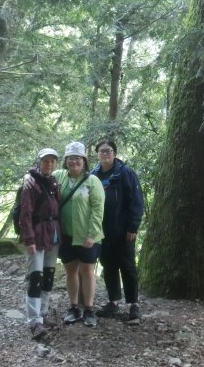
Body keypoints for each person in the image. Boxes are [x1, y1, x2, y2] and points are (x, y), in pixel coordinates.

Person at [53, 141, 105, 328]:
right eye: (70, 158)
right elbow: (41, 176)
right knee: (71, 271)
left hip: (88, 235)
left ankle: (89, 309)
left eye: (77, 158)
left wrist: (91, 234)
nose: (74, 161)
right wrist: (28, 177)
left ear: (84, 161)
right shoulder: (59, 176)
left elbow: (98, 210)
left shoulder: (93, 181)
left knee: (87, 271)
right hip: (66, 235)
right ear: (65, 160)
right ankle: (74, 307)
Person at [92, 139, 144, 324]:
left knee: (128, 267)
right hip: (102, 231)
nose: (105, 154)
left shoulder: (125, 173)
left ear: (114, 153)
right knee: (109, 266)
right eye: (102, 151)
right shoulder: (93, 175)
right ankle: (113, 301)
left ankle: (134, 306)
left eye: (109, 151)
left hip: (123, 231)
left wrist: (133, 227)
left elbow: (136, 201)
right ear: (97, 154)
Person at [20, 147, 61, 341]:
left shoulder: (53, 181)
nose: (50, 164)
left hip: (52, 235)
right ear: (39, 162)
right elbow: (25, 214)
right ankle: (34, 321)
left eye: (53, 161)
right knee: (36, 277)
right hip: (37, 235)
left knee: (48, 277)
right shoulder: (31, 184)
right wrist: (29, 240)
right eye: (46, 161)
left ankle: (43, 313)